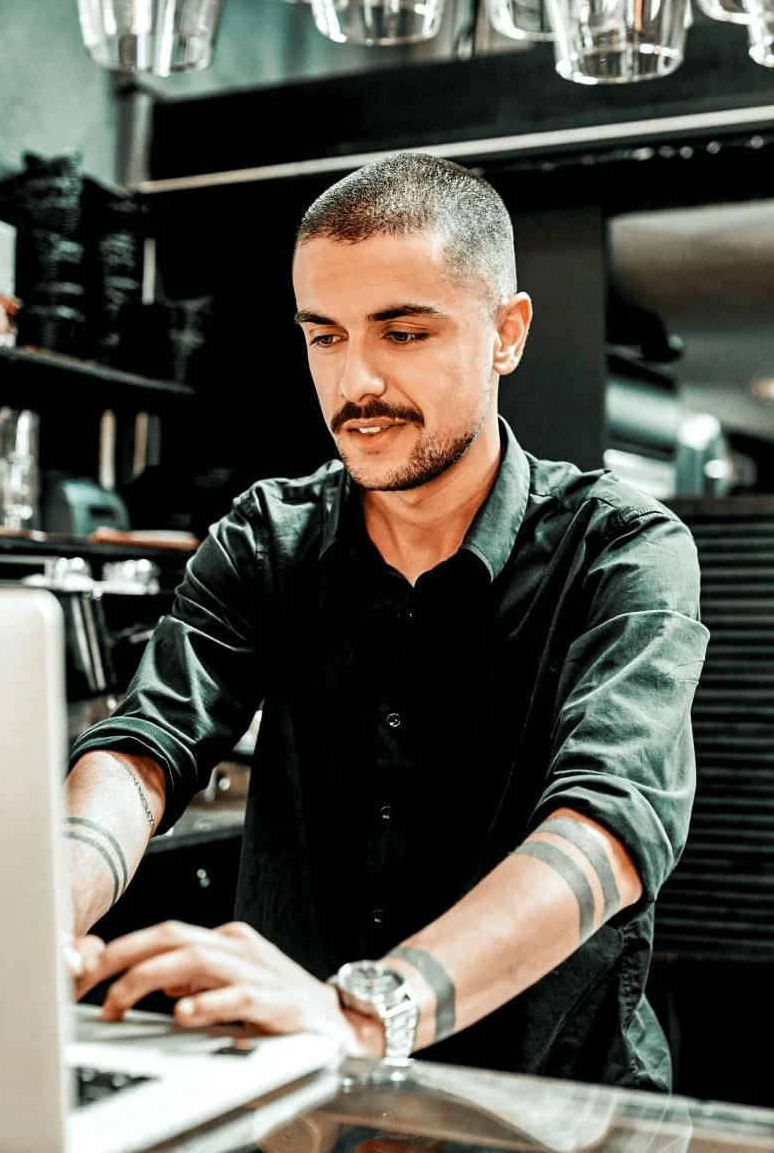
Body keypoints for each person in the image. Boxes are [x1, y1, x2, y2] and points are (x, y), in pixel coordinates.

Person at [61, 152, 708, 1090]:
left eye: (403, 333)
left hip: (547, 1110)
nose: (355, 382)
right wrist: (42, 917)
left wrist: (366, 1009)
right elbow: (142, 748)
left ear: (506, 334)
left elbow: (610, 824)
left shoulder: (621, 550)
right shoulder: (267, 539)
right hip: (302, 1096)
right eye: (324, 337)